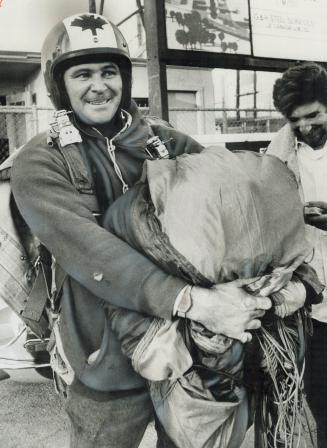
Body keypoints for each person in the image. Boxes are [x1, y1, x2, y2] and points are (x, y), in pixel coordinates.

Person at [10, 13, 272, 448]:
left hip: (189, 355)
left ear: (125, 79)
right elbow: (93, 251)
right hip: (104, 360)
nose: (99, 85)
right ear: (59, 85)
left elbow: (234, 197)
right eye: (83, 74)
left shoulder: (166, 141)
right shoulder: (41, 160)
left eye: (110, 72)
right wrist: (195, 302)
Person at [267, 61, 327, 447]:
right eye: (295, 120)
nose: (306, 127)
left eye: (314, 115)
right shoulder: (278, 154)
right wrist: (292, 216)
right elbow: (264, 219)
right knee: (322, 403)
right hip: (315, 305)